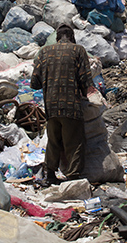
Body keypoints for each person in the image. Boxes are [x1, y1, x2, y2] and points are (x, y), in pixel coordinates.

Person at [30, 24, 93, 186]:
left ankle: (50, 174)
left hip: (51, 106)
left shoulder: (44, 52)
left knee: (53, 140)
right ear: (72, 37)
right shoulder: (78, 50)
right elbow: (86, 79)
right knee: (74, 142)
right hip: (71, 105)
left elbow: (34, 82)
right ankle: (72, 178)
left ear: (57, 38)